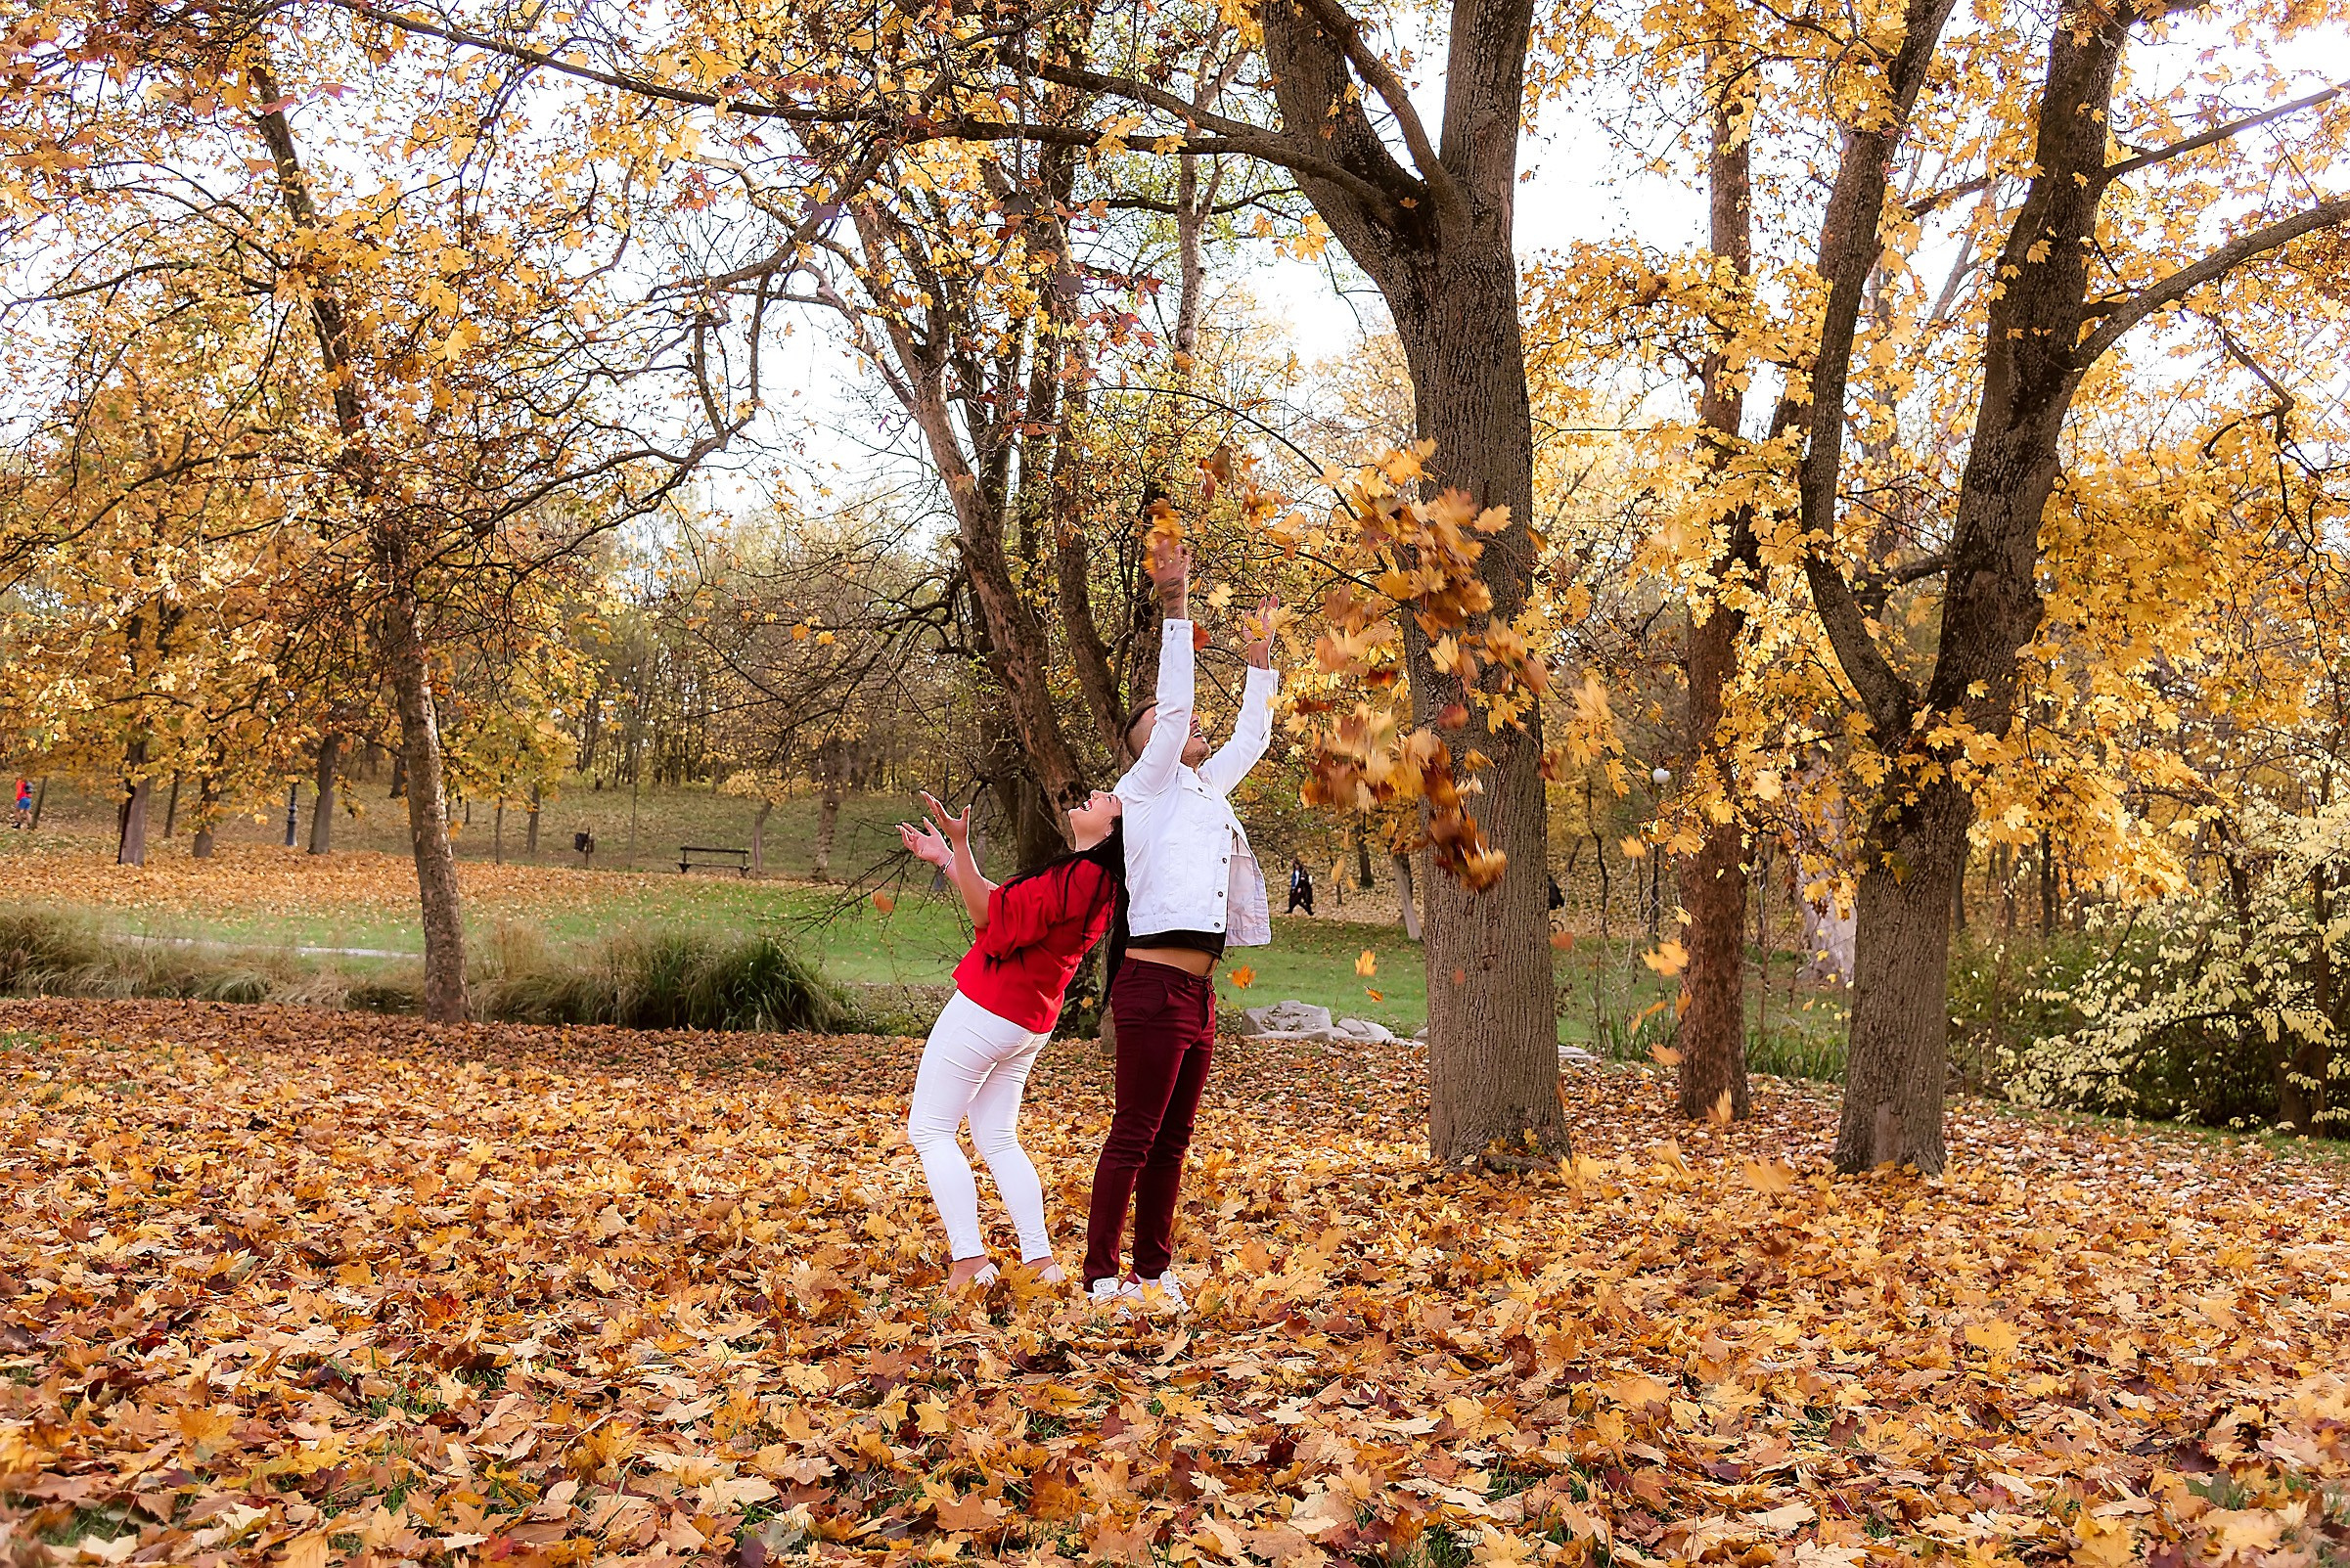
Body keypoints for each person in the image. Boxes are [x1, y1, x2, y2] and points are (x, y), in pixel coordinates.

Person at [1084, 537, 1280, 1313]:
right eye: (1166, 725)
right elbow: (1170, 713)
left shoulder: (1205, 789)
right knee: (1134, 1132)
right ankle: (1101, 1277)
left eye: (1189, 726)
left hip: (1196, 997)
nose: (1188, 726)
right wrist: (1175, 603)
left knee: (1171, 1141)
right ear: (1143, 747)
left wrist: (1260, 661)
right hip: (1152, 984)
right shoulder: (1150, 784)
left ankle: (1153, 1273)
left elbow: (1254, 737)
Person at [899, 786, 1125, 1291]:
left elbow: (990, 918)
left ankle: (969, 1262)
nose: (1093, 794)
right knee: (997, 1137)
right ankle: (1040, 1262)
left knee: (930, 1130)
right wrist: (947, 857)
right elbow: (1012, 909)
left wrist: (960, 843)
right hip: (1029, 1021)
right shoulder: (1098, 884)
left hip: (991, 1006)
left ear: (1115, 830)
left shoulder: (1080, 875)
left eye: (1108, 799)